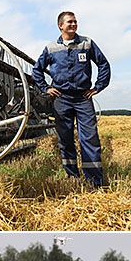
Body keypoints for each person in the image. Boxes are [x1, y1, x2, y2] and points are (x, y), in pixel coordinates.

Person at [32, 10, 110, 186]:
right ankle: (72, 177)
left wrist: (98, 87)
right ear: (61, 26)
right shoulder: (51, 48)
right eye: (70, 22)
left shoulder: (87, 43)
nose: (74, 24)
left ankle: (94, 181)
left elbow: (103, 64)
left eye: (75, 22)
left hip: (83, 98)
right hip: (61, 99)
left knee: (89, 138)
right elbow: (37, 70)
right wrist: (46, 88)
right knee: (65, 139)